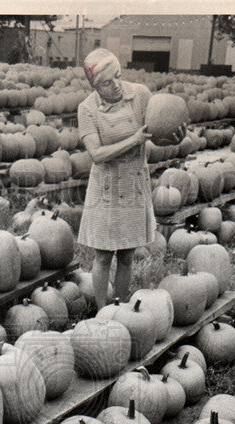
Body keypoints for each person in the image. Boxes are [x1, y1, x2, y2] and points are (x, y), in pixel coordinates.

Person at [77, 48, 186, 310]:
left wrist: (175, 137)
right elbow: (97, 154)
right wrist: (134, 140)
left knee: (127, 254)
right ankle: (103, 310)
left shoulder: (140, 96)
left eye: (117, 76)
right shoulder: (87, 109)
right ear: (94, 85)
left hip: (134, 182)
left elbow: (156, 134)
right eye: (106, 82)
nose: (115, 85)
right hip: (106, 187)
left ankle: (123, 307)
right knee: (103, 255)